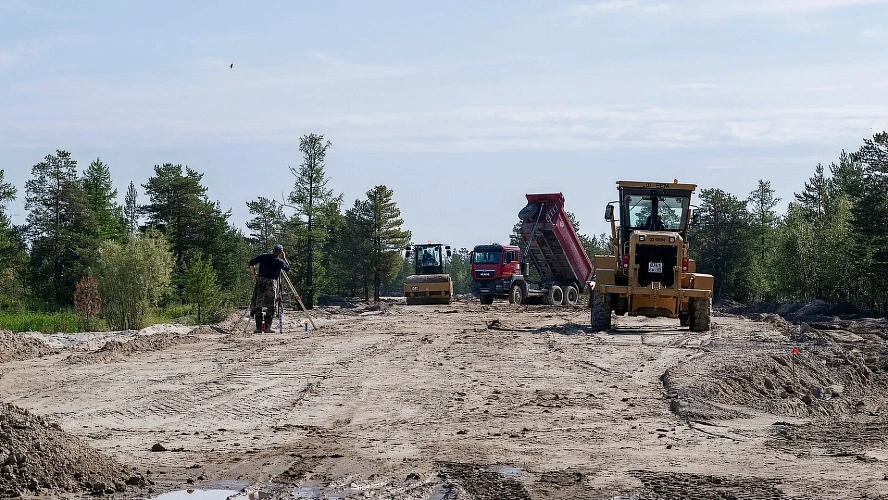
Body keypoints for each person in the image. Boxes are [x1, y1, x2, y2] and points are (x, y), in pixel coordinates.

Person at [248, 244, 290, 333]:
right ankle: (267, 328)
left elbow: (251, 262)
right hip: (271, 283)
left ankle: (258, 328)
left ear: (273, 250)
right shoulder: (279, 261)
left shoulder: (264, 256)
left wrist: (254, 274)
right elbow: (287, 268)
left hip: (260, 282)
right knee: (270, 305)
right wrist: (284, 258)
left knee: (258, 304)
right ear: (280, 252)